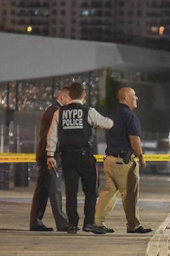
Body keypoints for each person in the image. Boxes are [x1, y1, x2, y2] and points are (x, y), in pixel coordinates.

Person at [46, 82, 113, 234]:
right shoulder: (88, 111)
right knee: (90, 191)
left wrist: (50, 154)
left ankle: (72, 225)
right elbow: (107, 124)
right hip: (85, 157)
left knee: (71, 192)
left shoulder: (60, 112)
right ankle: (88, 223)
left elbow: (52, 135)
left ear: (69, 96)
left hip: (67, 157)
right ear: (83, 95)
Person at [94, 87, 153, 234]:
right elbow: (134, 139)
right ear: (126, 98)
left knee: (109, 191)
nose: (137, 98)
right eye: (134, 95)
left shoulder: (112, 114)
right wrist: (141, 157)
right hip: (124, 162)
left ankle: (97, 222)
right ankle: (133, 225)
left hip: (109, 160)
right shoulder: (130, 116)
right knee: (130, 194)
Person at [29, 87, 70, 232]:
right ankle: (62, 223)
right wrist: (51, 155)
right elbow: (54, 136)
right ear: (63, 98)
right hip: (50, 156)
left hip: (46, 155)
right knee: (54, 188)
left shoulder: (53, 110)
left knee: (43, 190)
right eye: (70, 100)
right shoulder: (55, 112)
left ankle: (35, 222)